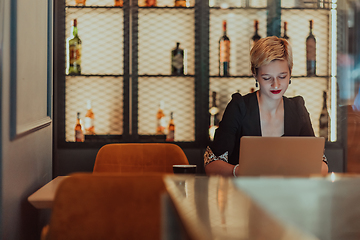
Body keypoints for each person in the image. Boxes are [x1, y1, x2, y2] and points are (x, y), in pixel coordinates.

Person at [204, 36, 328, 176]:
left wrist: (305, 170)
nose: (275, 84)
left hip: (290, 194)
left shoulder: (297, 109)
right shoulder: (239, 107)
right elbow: (211, 163)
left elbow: (321, 163)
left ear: (290, 73)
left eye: (282, 77)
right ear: (255, 74)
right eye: (267, 78)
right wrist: (241, 171)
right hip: (244, 195)